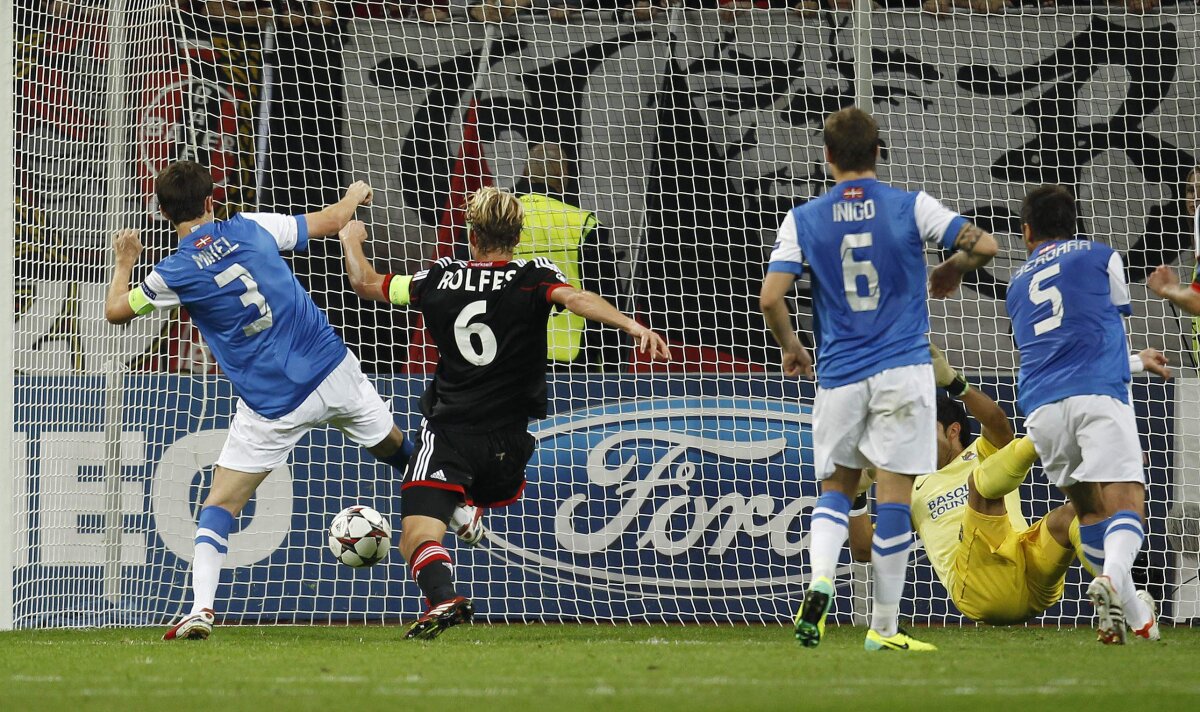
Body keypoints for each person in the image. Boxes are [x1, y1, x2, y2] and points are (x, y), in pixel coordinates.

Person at [338, 186, 670, 640]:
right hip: (510, 446)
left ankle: (444, 589)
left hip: (451, 435)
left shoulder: (437, 279)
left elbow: (364, 283)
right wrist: (632, 325)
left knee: (415, 538)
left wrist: (350, 237)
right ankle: (462, 516)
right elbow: (576, 299)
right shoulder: (534, 276)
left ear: (471, 236)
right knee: (441, 512)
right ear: (516, 238)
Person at [104, 160, 414, 641]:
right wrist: (354, 195)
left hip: (273, 403)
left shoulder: (173, 272)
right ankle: (463, 516)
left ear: (165, 214)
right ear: (212, 200)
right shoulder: (251, 225)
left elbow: (116, 311)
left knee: (219, 506)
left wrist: (126, 259)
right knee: (397, 450)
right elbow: (332, 221)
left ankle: (201, 609)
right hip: (330, 369)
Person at [759, 106, 998, 652]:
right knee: (894, 494)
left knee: (836, 491)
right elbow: (983, 245)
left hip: (840, 373)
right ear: (878, 152)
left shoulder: (803, 218)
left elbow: (771, 297)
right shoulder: (911, 206)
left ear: (827, 158)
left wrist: (793, 347)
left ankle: (820, 579)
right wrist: (951, 268)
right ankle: (884, 629)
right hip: (903, 369)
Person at [848, 345, 1167, 633]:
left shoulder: (983, 451)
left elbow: (998, 421)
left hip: (1032, 576)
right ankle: (1050, 435)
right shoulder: (912, 485)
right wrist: (858, 497)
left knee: (1074, 514)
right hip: (978, 589)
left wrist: (954, 383)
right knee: (981, 486)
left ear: (954, 430)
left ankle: (1122, 597)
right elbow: (864, 550)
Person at [1006, 184, 1159, 644]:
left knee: (1088, 509)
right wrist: (1135, 362)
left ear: (1027, 231)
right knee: (1128, 504)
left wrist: (1134, 363)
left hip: (1041, 411)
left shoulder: (1016, 286)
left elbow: (1050, 348)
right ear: (1076, 223)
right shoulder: (1101, 255)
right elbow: (1104, 326)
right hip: (1096, 395)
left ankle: (1134, 622)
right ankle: (1111, 581)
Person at [513, 142, 622, 369]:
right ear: (565, 178)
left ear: (524, 173)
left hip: (506, 357)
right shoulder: (584, 225)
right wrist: (614, 370)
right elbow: (608, 299)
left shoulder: (493, 220)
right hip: (572, 365)